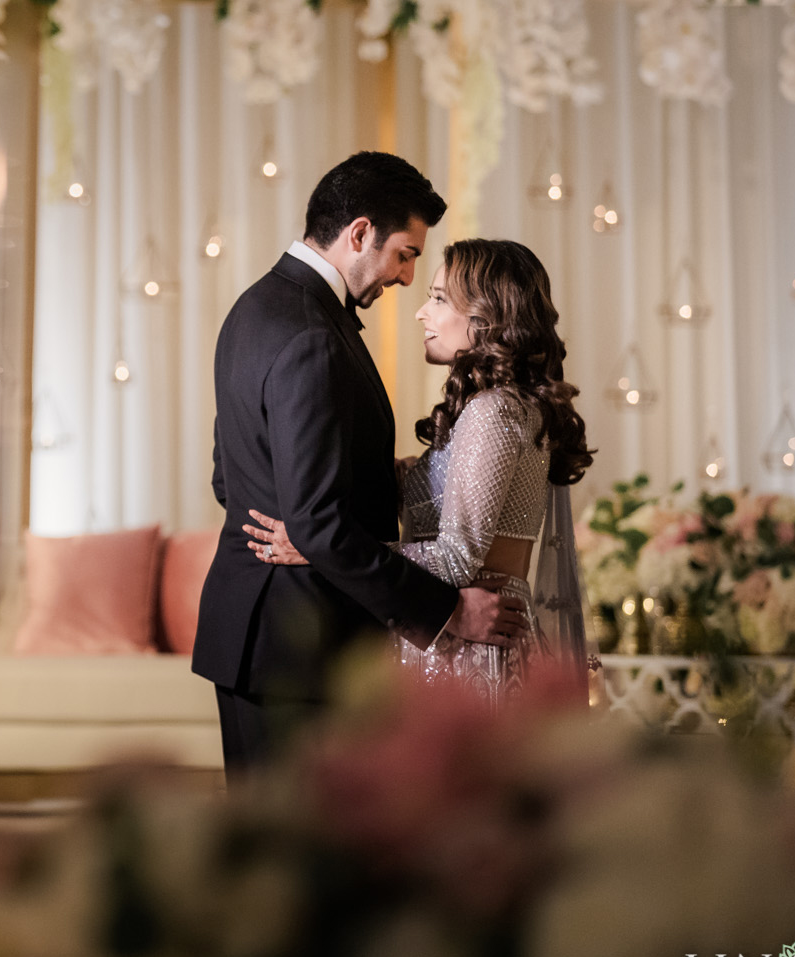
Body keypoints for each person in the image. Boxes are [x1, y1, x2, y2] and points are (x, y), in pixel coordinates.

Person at [192, 154, 527, 776]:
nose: (405, 279)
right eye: (405, 254)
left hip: (258, 634)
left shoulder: (253, 309)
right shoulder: (313, 334)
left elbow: (228, 474)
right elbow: (318, 524)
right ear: (360, 233)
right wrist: (450, 610)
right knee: (307, 860)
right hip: (298, 643)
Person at [246, 237, 594, 703]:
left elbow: (456, 558)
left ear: (486, 316)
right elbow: (429, 493)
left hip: (474, 644)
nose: (421, 313)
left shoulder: (494, 411)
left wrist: (322, 547)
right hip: (459, 638)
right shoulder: (499, 407)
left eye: (437, 298)